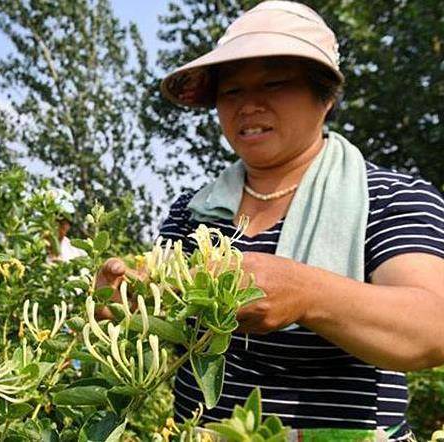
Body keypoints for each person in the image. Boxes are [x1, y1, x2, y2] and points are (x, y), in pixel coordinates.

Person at [96, 1, 444, 440]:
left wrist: (307, 292)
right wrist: (132, 305)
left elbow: (434, 327)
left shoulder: (390, 197)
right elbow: (169, 330)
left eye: (275, 83)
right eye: (232, 91)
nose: (249, 105)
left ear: (326, 97)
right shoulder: (195, 209)